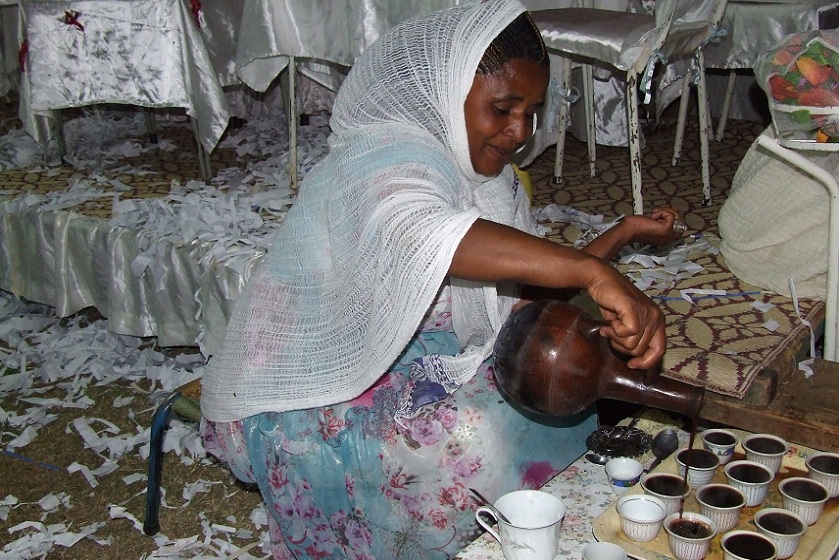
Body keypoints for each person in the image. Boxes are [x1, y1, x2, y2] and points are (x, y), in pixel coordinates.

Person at [200, 2, 668, 558]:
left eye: (532, 111)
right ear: (445, 91)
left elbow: (518, 290)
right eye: (502, 108)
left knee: (556, 391)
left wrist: (618, 239)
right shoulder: (386, 154)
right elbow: (424, 232)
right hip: (312, 379)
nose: (520, 131)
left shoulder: (487, 179)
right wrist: (592, 272)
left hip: (409, 357)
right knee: (474, 440)